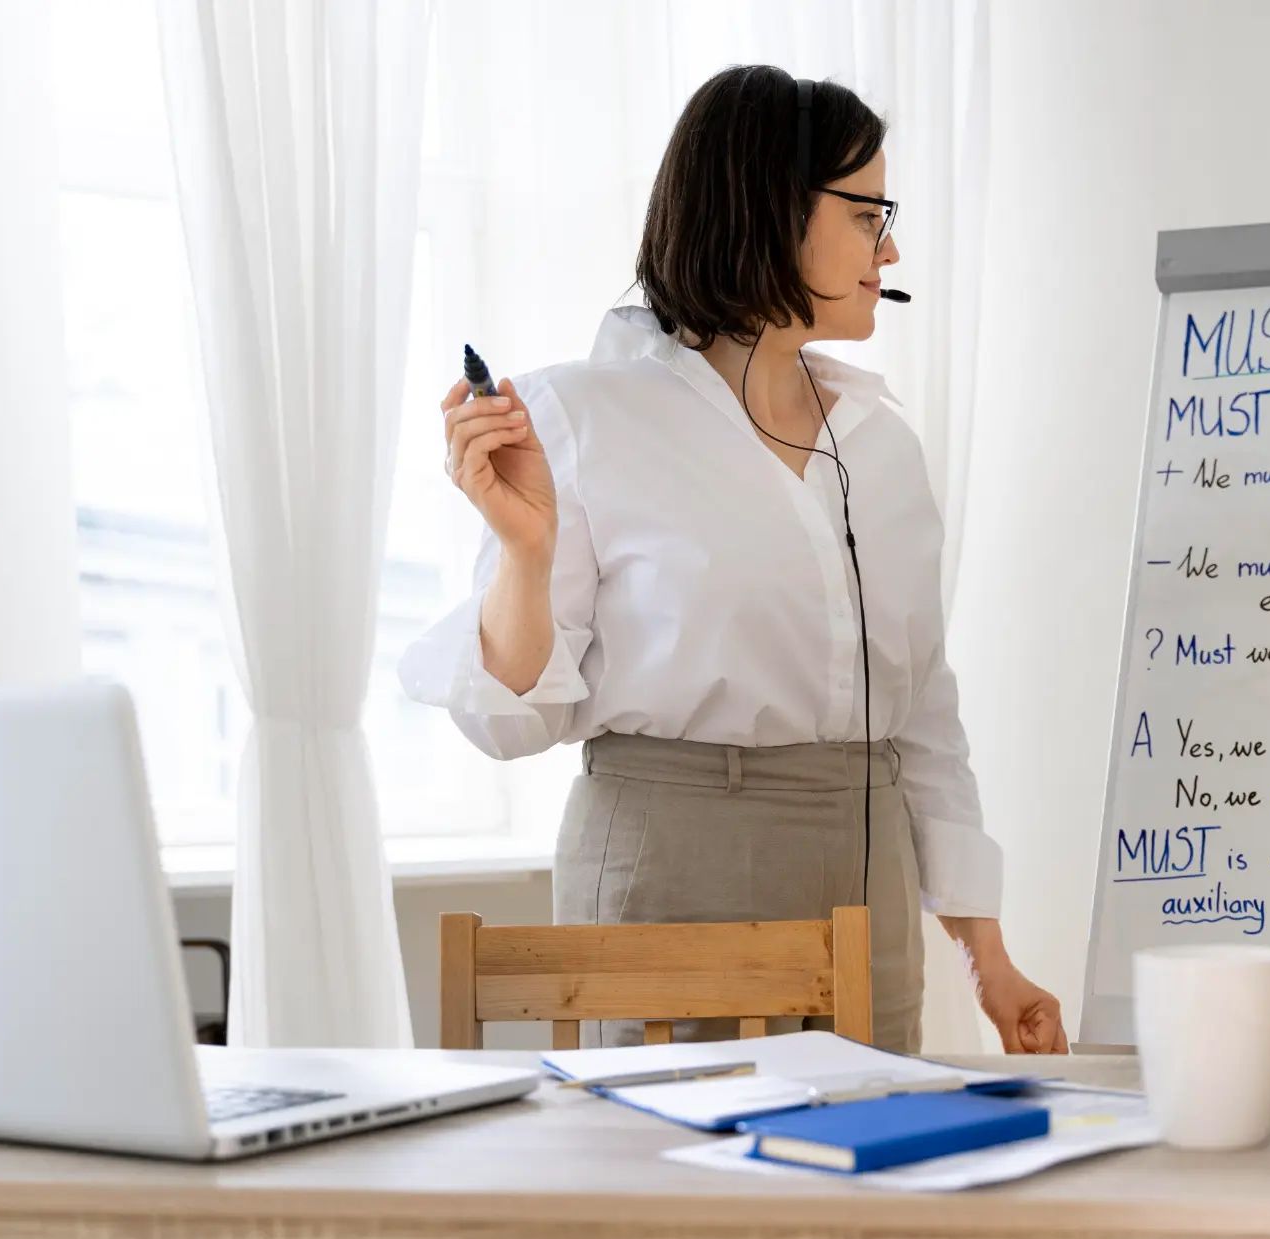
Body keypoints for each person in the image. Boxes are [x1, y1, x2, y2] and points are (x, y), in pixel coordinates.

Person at [399, 65, 1064, 1055]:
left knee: (879, 1150)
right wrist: (525, 554)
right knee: (676, 1154)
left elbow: (923, 710)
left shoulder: (882, 443)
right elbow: (511, 721)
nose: (889, 249)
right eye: (867, 215)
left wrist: (986, 957)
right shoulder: (580, 417)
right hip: (676, 867)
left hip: (870, 875)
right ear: (771, 211)